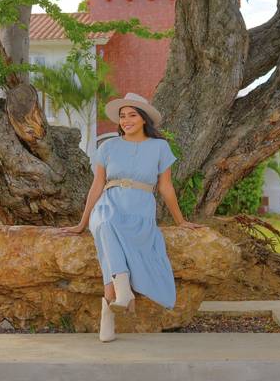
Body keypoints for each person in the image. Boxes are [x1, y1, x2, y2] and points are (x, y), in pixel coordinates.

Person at [59, 92, 203, 343]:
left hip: (140, 207)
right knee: (104, 224)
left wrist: (180, 221)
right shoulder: (108, 147)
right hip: (109, 203)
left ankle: (110, 310)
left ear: (144, 118)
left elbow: (166, 187)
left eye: (132, 115)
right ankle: (123, 291)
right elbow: (97, 186)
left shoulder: (160, 147)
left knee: (108, 244)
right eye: (122, 116)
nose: (126, 120)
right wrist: (82, 223)